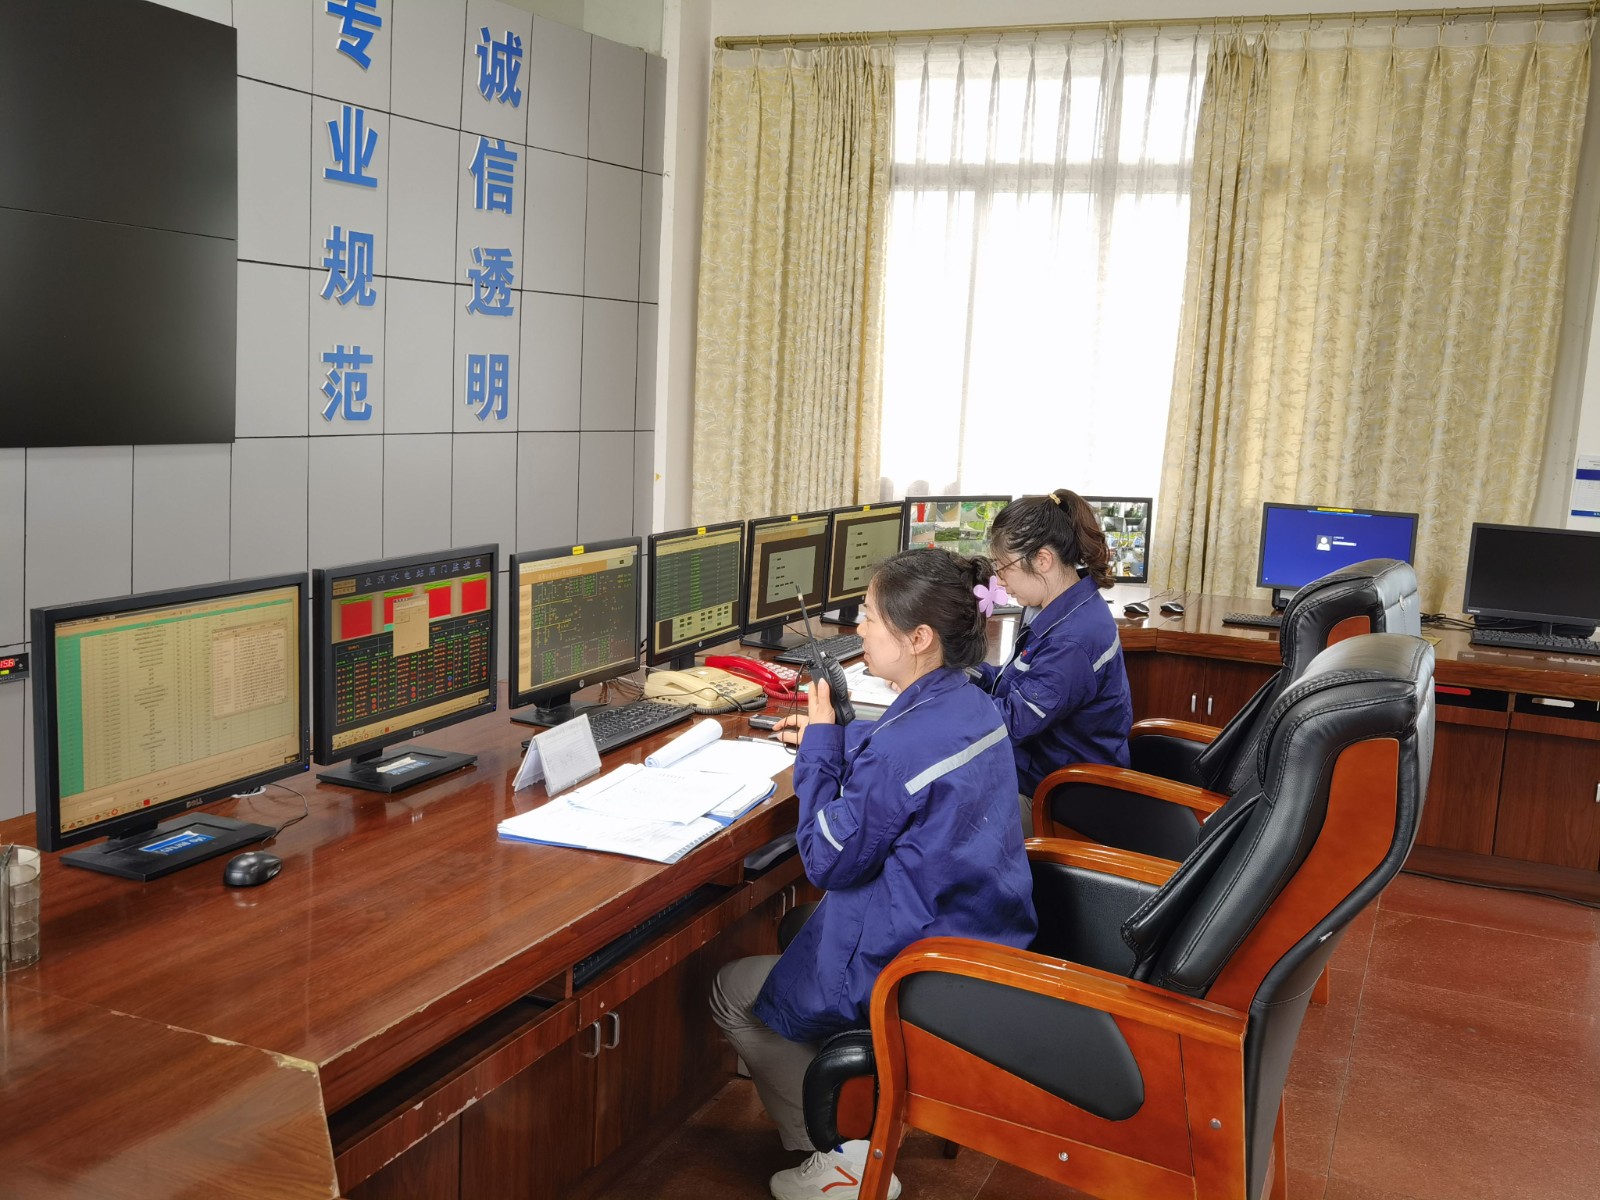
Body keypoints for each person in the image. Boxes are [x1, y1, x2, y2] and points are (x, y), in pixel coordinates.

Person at [710, 550, 1038, 1200]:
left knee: (731, 990)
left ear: (919, 638)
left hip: (914, 965)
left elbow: (825, 860)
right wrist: (836, 739)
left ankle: (841, 1161)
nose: (857, 630)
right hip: (976, 936)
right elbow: (903, 759)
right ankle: (847, 1096)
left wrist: (819, 747)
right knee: (799, 934)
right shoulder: (970, 703)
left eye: (867, 617)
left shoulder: (900, 749)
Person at [977, 489, 1133, 833]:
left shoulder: (1072, 640)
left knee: (936, 808)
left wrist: (945, 695)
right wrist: (970, 674)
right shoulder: (1062, 607)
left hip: (1059, 799)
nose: (999, 580)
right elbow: (1020, 682)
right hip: (1047, 772)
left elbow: (1011, 723)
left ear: (1042, 560)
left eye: (1003, 567)